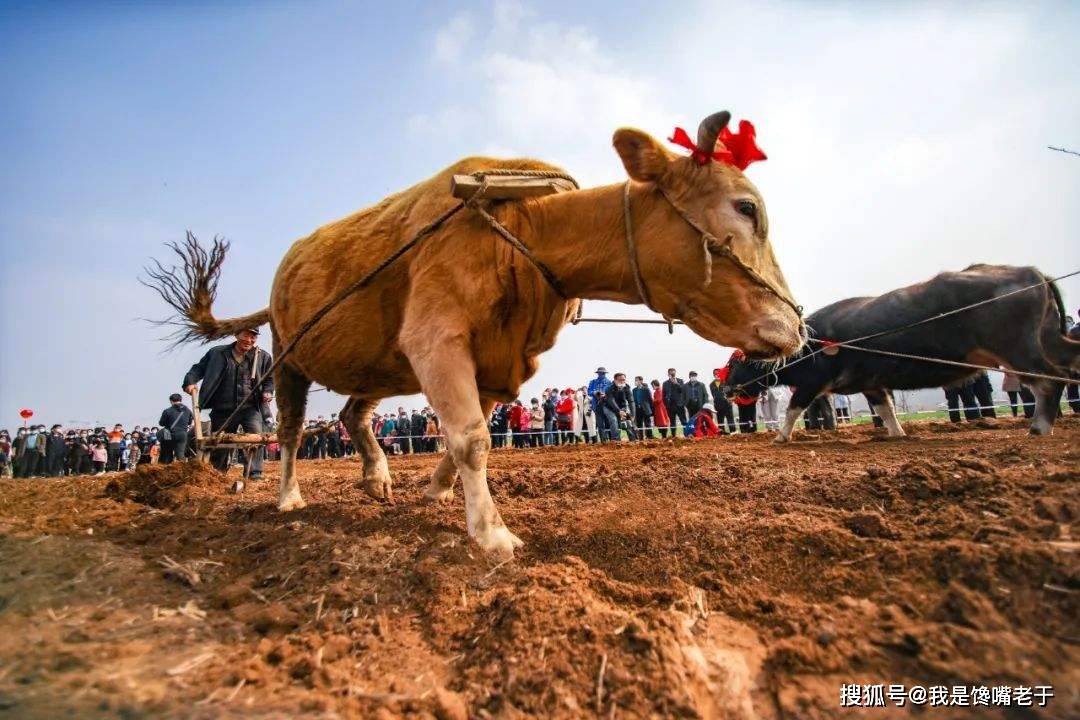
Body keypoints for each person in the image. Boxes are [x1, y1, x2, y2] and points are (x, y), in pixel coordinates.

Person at [183, 328, 273, 479]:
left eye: (253, 337)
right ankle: (218, 473)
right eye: (246, 335)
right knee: (220, 441)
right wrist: (190, 382)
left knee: (255, 438)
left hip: (251, 407)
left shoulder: (263, 357)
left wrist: (268, 392)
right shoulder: (217, 353)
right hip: (223, 407)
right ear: (236, 334)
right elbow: (198, 369)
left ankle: (254, 474)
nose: (249, 340)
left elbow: (270, 378)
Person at [159, 393, 194, 464]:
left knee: (167, 453)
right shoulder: (188, 411)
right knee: (180, 454)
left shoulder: (167, 411)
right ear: (180, 400)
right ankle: (183, 470)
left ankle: (166, 470)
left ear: (171, 401)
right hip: (182, 433)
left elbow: (161, 423)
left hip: (168, 433)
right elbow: (190, 423)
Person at [605, 373, 636, 441]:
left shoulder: (627, 387)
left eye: (624, 380)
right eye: (620, 380)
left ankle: (633, 439)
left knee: (629, 421)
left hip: (622, 406)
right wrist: (619, 411)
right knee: (614, 420)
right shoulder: (609, 389)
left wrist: (633, 415)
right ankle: (616, 440)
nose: (622, 381)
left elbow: (631, 401)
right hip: (609, 407)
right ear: (615, 380)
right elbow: (611, 401)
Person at [587, 368, 613, 442]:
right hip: (597, 405)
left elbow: (611, 393)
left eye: (603, 373)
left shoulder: (609, 382)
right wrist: (595, 392)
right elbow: (589, 391)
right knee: (600, 424)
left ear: (605, 373)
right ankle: (603, 441)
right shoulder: (593, 382)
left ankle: (611, 440)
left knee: (608, 423)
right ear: (597, 373)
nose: (601, 374)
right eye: (600, 373)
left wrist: (604, 394)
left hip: (607, 405)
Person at [709, 369, 737, 435]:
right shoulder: (711, 385)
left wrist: (731, 399)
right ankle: (722, 433)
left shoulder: (725, 382)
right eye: (715, 374)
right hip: (718, 405)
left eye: (718, 373)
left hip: (727, 404)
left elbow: (730, 393)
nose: (717, 375)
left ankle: (733, 432)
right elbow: (713, 395)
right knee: (720, 420)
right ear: (713, 375)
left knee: (730, 419)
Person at [662, 369, 687, 436]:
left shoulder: (680, 381)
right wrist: (666, 405)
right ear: (668, 374)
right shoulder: (665, 383)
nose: (672, 375)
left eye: (673, 374)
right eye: (670, 374)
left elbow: (683, 391)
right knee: (672, 422)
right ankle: (674, 436)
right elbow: (663, 395)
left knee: (684, 421)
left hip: (680, 405)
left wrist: (676, 383)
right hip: (670, 406)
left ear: (675, 373)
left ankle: (687, 435)